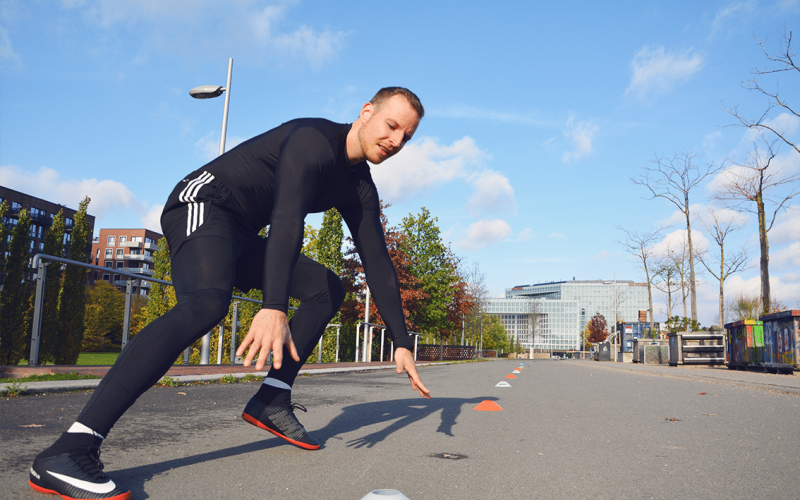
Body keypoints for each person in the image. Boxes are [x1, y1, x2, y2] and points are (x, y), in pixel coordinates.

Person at [29, 87, 431, 500]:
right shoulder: (312, 142)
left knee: (327, 287)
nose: (397, 141)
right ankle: (71, 449)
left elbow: (378, 263)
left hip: (242, 234)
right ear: (367, 112)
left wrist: (401, 342)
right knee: (206, 303)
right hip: (203, 203)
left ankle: (272, 399)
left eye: (408, 136)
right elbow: (287, 218)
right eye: (392, 126)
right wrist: (273, 306)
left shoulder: (359, 186)